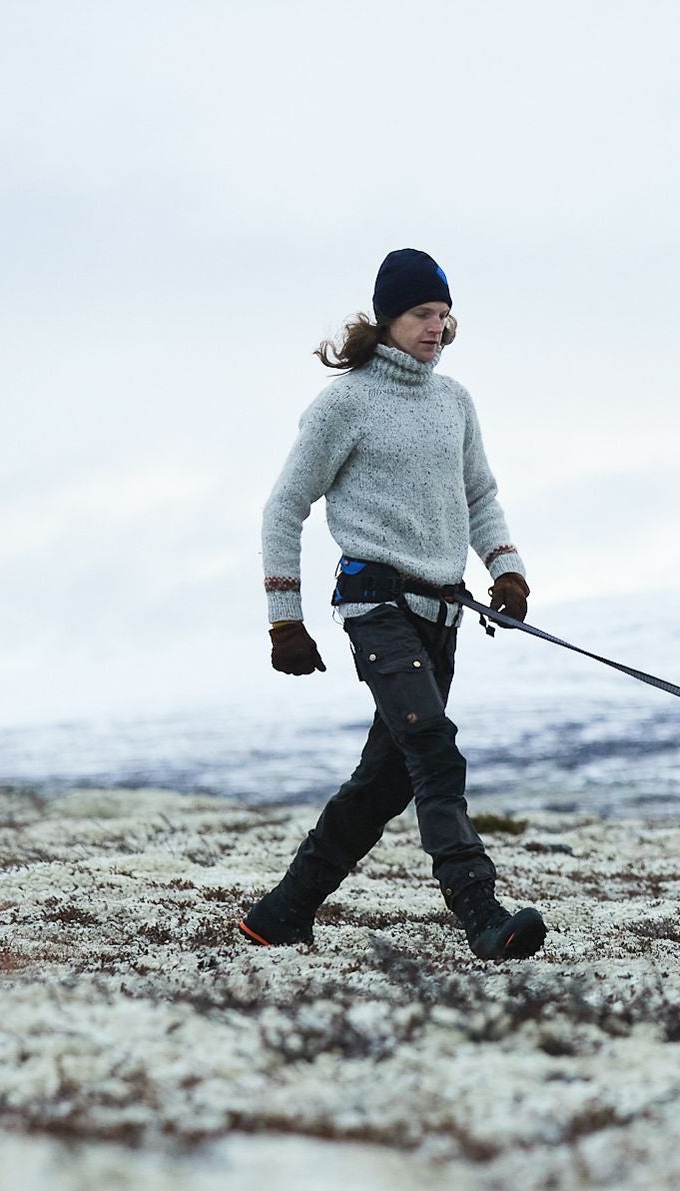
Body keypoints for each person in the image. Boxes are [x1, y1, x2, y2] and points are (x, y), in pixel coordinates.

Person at [241, 247, 545, 961]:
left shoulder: (455, 402)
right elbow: (284, 508)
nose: (436, 327)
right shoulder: (344, 403)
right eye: (421, 314)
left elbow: (480, 498)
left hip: (443, 614)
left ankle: (281, 913)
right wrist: (286, 620)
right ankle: (482, 916)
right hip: (376, 605)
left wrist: (508, 575)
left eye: (443, 314)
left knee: (383, 783)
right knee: (434, 753)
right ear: (387, 319)